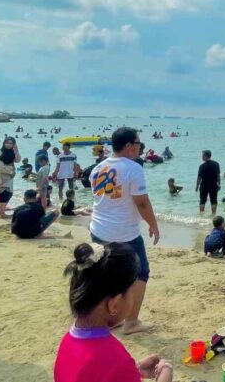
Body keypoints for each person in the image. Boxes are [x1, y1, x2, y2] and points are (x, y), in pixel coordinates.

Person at [54, 242, 175, 382]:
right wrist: (166, 374)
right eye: (131, 292)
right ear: (114, 304)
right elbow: (110, 367)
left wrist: (133, 370)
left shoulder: (67, 342)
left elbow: (94, 373)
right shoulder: (116, 359)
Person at [88, 127, 160, 335]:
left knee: (109, 275)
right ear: (128, 146)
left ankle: (111, 318)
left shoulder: (98, 168)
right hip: (123, 232)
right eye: (138, 144)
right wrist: (153, 225)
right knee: (141, 272)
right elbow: (142, 203)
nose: (140, 148)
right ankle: (131, 321)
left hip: (98, 229)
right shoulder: (133, 168)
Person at [0, 137, 20, 218]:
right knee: (4, 194)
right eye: (7, 143)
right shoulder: (0, 151)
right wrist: (11, 171)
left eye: (11, 143)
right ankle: (1, 213)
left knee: (8, 193)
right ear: (4, 143)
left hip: (9, 177)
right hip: (2, 176)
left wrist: (16, 150)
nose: (8, 145)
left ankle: (1, 213)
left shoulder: (12, 152)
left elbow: (18, 160)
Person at [194, 150, 221, 216]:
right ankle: (213, 215)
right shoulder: (216, 164)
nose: (202, 157)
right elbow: (218, 176)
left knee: (202, 201)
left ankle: (201, 215)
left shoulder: (202, 166)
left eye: (203, 155)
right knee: (214, 201)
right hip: (213, 185)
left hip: (204, 186)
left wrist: (197, 186)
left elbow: (199, 178)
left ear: (206, 156)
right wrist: (219, 184)